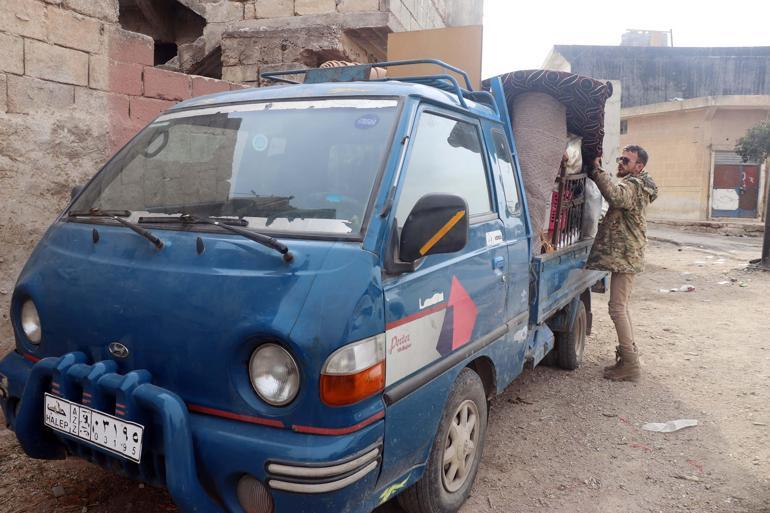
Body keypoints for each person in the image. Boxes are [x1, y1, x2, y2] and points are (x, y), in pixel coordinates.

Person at [586, 145, 658, 382]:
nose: (621, 163)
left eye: (626, 161)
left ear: (639, 167)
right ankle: (629, 359)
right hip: (627, 255)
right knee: (621, 308)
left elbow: (615, 196)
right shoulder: (637, 184)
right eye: (620, 159)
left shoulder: (634, 185)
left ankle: (630, 364)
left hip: (626, 256)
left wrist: (596, 171)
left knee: (617, 308)